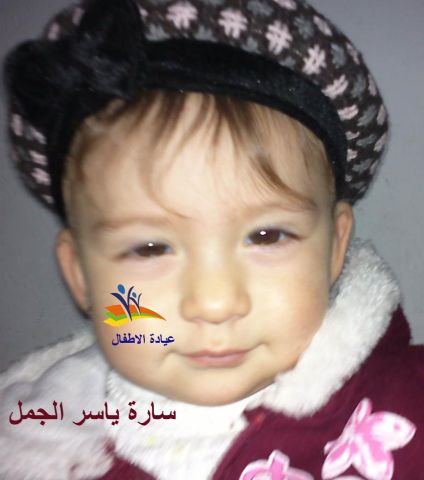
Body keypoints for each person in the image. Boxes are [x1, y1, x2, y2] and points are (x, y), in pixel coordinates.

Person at [1, 0, 423, 478]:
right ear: (80, 276)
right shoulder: (32, 446)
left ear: (334, 248)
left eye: (266, 236)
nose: (215, 303)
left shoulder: (412, 408)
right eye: (150, 248)